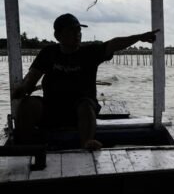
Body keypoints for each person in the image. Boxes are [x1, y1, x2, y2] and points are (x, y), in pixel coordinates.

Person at [12, 13, 158, 150]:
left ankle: (87, 141)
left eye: (78, 31)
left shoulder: (89, 52)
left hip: (80, 111)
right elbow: (32, 76)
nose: (77, 34)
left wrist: (139, 37)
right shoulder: (48, 53)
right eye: (71, 31)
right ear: (57, 36)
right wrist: (23, 88)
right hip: (52, 108)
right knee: (28, 104)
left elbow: (114, 44)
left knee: (86, 105)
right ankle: (24, 146)